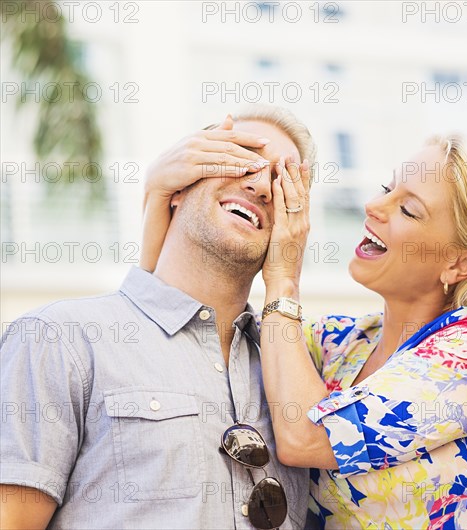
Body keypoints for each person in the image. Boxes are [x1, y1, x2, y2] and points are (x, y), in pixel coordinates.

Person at [140, 131, 467, 529]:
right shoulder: (343, 343)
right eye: (387, 190)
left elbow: (304, 437)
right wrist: (160, 195)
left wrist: (283, 280)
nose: (373, 206)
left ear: (460, 264)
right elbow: (200, 328)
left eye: (407, 209)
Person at [0, 106, 316, 529]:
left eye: (284, 182)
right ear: (179, 186)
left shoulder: (301, 368)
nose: (261, 185)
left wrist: (285, 282)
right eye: (240, 159)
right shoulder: (58, 339)